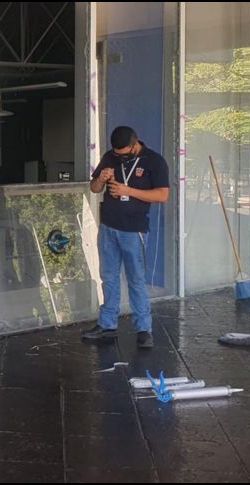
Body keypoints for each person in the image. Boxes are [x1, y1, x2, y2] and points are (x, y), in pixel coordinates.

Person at [83, 126, 169, 349]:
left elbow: (162, 194)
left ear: (135, 143)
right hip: (109, 227)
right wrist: (101, 179)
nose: (119, 157)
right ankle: (107, 325)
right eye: (116, 153)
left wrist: (128, 191)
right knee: (108, 276)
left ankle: (143, 329)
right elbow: (94, 188)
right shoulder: (110, 157)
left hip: (134, 229)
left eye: (124, 153)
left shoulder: (154, 161)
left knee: (136, 280)